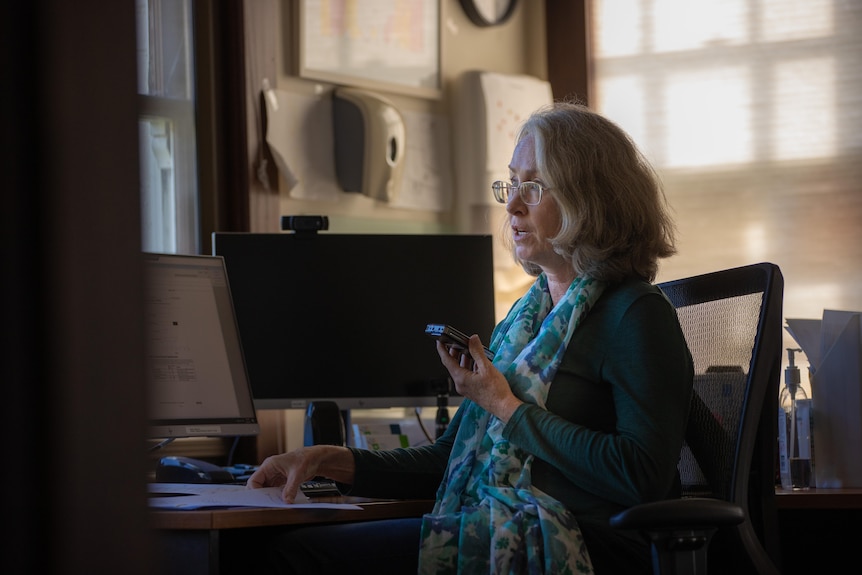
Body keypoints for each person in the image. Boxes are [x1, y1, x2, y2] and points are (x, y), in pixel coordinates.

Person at [246, 101, 694, 574]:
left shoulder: (635, 313)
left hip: (591, 546)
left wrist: (506, 406)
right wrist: (329, 460)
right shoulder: (528, 318)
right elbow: (447, 458)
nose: (513, 204)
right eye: (511, 184)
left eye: (534, 187)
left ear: (591, 198)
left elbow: (641, 475)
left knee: (296, 554)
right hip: (507, 528)